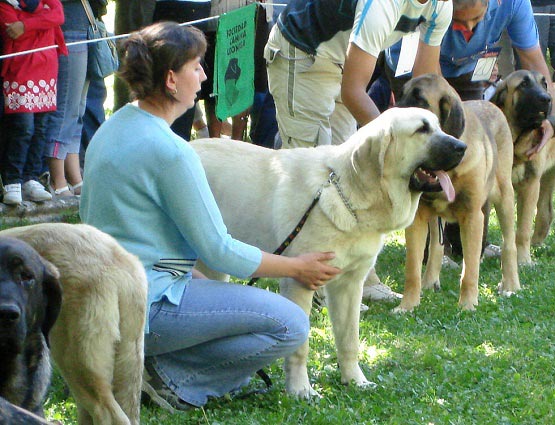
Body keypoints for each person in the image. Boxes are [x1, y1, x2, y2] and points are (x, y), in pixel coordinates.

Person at [79, 21, 341, 409]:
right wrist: (296, 267)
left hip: (102, 301)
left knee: (230, 302)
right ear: (171, 79)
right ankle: (173, 379)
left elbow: (133, 231)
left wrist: (188, 273)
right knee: (291, 324)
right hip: (143, 308)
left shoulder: (115, 124)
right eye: (197, 66)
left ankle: (151, 362)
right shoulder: (172, 151)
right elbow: (220, 252)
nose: (204, 74)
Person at [265, 0, 452, 301]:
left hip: (348, 60)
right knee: (309, 171)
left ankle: (357, 277)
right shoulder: (383, 4)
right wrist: (395, 143)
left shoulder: (441, 6)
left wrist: (431, 142)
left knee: (352, 172)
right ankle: (307, 280)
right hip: (304, 51)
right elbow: (352, 91)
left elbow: (425, 85)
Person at [384, 0, 555, 260]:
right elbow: (430, 75)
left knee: (474, 160)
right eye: (460, 21)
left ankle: (468, 245)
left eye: (476, 19)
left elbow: (535, 61)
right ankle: (432, 251)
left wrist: (549, 118)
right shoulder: (433, 7)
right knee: (426, 154)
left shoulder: (514, 4)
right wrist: (454, 120)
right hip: (415, 65)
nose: (468, 28)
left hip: (470, 70)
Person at [0, 0, 66, 205]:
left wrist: (26, 23)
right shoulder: (4, 4)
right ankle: (12, 180)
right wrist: (43, 18)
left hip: (46, 69)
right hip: (19, 70)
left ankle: (31, 178)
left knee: (40, 128)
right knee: (22, 127)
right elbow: (12, 32)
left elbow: (58, 16)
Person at [43, 0, 98, 198]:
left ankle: (75, 177)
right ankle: (57, 179)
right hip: (67, 31)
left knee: (78, 109)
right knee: (66, 106)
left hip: (84, 25)